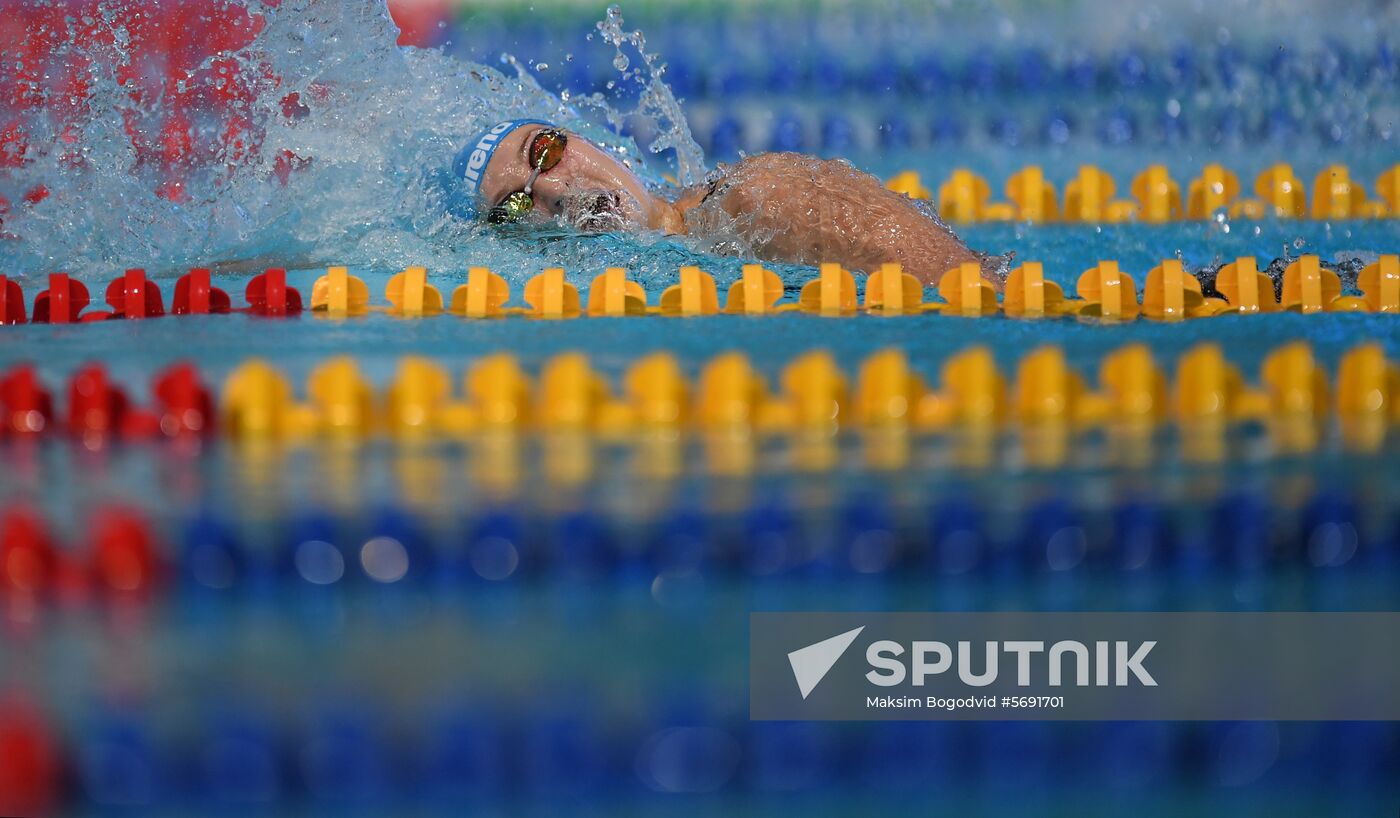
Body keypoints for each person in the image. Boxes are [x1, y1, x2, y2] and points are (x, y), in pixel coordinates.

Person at [449, 119, 1007, 285]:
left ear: (587, 140)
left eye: (544, 152)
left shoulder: (762, 200)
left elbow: (977, 292)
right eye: (514, 209)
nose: (550, 190)